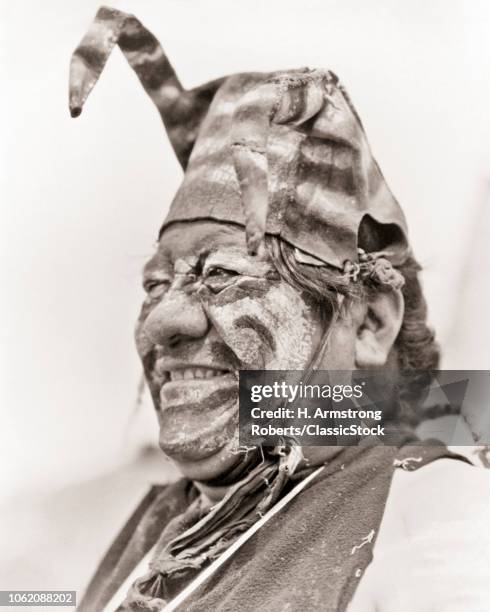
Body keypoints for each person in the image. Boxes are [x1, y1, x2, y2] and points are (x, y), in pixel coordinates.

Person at [70, 7, 490, 611]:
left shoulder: (433, 526)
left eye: (225, 274)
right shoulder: (167, 520)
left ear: (370, 322)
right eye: (156, 285)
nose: (163, 323)